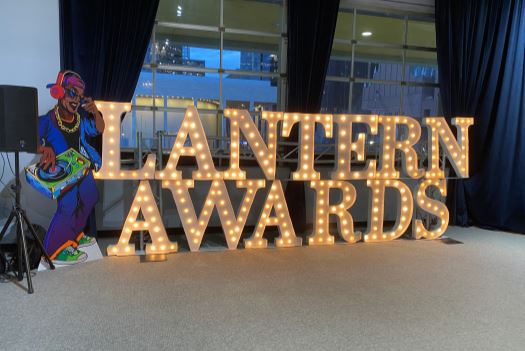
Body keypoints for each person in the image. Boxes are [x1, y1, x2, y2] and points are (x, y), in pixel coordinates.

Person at [38, 70, 104, 265]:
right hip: (61, 171)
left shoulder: (80, 121)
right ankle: (53, 250)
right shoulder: (48, 120)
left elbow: (99, 128)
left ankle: (73, 236)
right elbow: (27, 139)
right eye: (72, 93)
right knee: (68, 205)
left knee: (91, 196)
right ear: (59, 92)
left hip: (81, 167)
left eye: (80, 96)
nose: (76, 100)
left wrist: (95, 111)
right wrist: (44, 148)